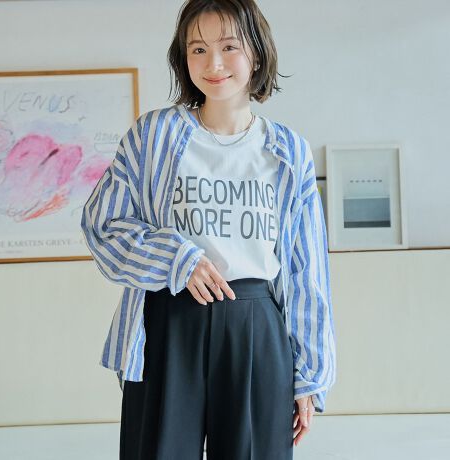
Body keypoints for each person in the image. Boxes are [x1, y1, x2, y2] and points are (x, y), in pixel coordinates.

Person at [81, 0, 336, 459]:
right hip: (169, 321)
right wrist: (176, 258)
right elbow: (102, 225)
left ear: (256, 52)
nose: (213, 63)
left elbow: (306, 272)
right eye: (197, 49)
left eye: (229, 46)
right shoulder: (153, 136)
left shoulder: (288, 151)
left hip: (256, 327)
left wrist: (310, 377)